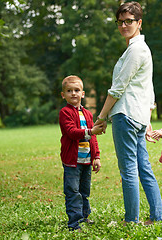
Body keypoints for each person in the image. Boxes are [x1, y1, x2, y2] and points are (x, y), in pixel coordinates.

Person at [94, 1, 162, 225]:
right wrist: (147, 119)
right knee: (143, 168)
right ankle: (156, 217)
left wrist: (102, 117)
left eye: (129, 21)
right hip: (138, 116)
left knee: (129, 170)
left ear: (139, 22)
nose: (124, 25)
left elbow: (118, 88)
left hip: (126, 116)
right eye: (120, 22)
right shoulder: (141, 49)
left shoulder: (135, 50)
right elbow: (148, 89)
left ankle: (131, 220)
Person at [59, 75, 103, 231]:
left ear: (82, 93)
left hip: (86, 160)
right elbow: (71, 132)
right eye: (69, 91)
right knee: (73, 191)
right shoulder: (65, 113)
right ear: (63, 95)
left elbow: (93, 139)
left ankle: (84, 217)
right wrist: (91, 131)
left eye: (77, 90)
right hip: (72, 160)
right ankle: (74, 223)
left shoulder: (88, 114)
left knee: (84, 191)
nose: (73, 94)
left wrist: (96, 157)